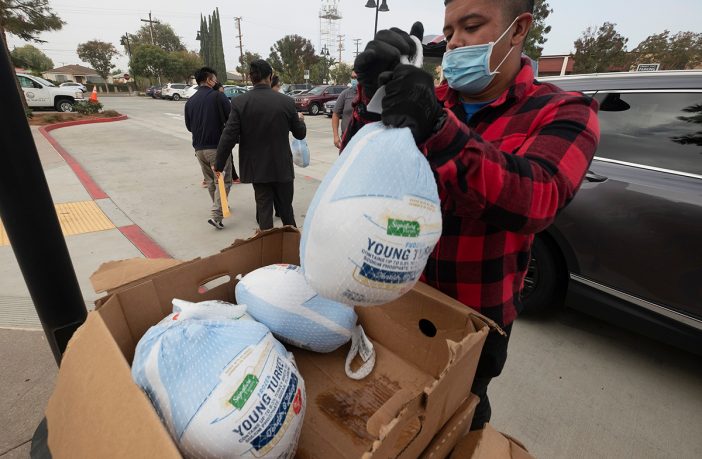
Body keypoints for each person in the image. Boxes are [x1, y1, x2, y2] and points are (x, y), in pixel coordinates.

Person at [348, 0, 600, 430]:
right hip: (398, 296)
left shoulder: (563, 111)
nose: (455, 43)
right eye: (449, 33)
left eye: (471, 26)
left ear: (518, 29)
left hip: (475, 319)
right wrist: (372, 97)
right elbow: (360, 166)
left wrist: (437, 127)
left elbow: (538, 197)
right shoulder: (427, 100)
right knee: (385, 403)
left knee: (458, 416)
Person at [215, 59, 306, 231]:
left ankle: (267, 245)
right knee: (286, 210)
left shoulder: (240, 102)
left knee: (264, 211)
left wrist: (219, 164)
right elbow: (300, 134)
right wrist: (301, 121)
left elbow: (228, 137)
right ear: (270, 76)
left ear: (251, 78)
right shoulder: (286, 102)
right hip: (282, 167)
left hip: (257, 169)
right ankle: (291, 243)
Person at [184, 67, 234, 230]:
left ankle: (220, 205)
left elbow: (189, 127)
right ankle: (216, 215)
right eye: (214, 79)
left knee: (211, 181)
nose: (216, 82)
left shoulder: (190, 101)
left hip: (199, 149)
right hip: (217, 148)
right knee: (224, 181)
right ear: (208, 80)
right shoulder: (218, 96)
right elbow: (231, 118)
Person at [331, 71, 358, 149]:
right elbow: (335, 114)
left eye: (356, 77)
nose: (354, 80)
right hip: (346, 137)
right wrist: (336, 136)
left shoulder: (367, 94)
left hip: (363, 138)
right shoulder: (345, 94)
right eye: (352, 77)